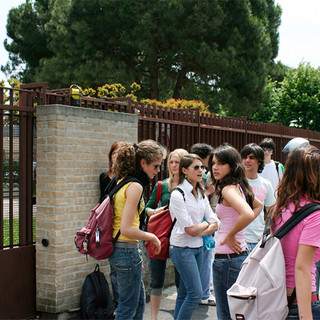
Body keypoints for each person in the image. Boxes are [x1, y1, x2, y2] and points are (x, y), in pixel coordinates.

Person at [108, 140, 166, 320]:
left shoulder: (122, 182)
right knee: (127, 307)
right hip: (125, 250)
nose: (157, 171)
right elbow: (126, 228)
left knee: (138, 303)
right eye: (155, 166)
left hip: (123, 250)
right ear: (143, 163)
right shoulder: (135, 186)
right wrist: (152, 237)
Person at [209, 144, 263, 320]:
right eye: (213, 163)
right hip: (237, 256)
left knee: (225, 313)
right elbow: (258, 206)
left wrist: (231, 234)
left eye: (220, 163)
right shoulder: (238, 185)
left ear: (231, 166)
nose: (215, 167)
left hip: (227, 260)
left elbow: (248, 212)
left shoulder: (228, 189)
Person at [271, 145, 320, 319]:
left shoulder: (281, 206)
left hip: (276, 298)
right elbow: (301, 267)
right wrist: (305, 316)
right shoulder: (315, 214)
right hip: (300, 302)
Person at [169, 154, 219, 320]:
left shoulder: (201, 193)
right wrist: (206, 226)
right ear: (184, 170)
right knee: (195, 294)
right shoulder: (178, 194)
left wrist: (202, 227)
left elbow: (215, 221)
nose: (201, 171)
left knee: (184, 293)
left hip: (199, 248)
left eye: (202, 167)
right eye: (196, 167)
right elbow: (190, 229)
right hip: (182, 249)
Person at [145, 148, 188, 320]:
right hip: (160, 237)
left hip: (181, 239)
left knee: (181, 281)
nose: (173, 165)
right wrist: (155, 211)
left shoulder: (190, 187)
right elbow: (146, 208)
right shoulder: (162, 185)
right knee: (156, 280)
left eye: (177, 161)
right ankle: (154, 317)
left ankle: (179, 316)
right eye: (171, 161)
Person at [190, 143, 216, 306]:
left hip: (202, 222)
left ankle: (200, 292)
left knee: (204, 258)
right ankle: (203, 293)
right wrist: (208, 192)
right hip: (203, 222)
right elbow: (200, 199)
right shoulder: (205, 175)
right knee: (206, 258)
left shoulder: (197, 175)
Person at [240, 143, 275, 252]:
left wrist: (264, 231)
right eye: (244, 157)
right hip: (239, 239)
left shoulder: (266, 184)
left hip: (257, 239)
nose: (247, 160)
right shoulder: (235, 183)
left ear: (259, 161)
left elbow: (270, 210)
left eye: (251, 158)